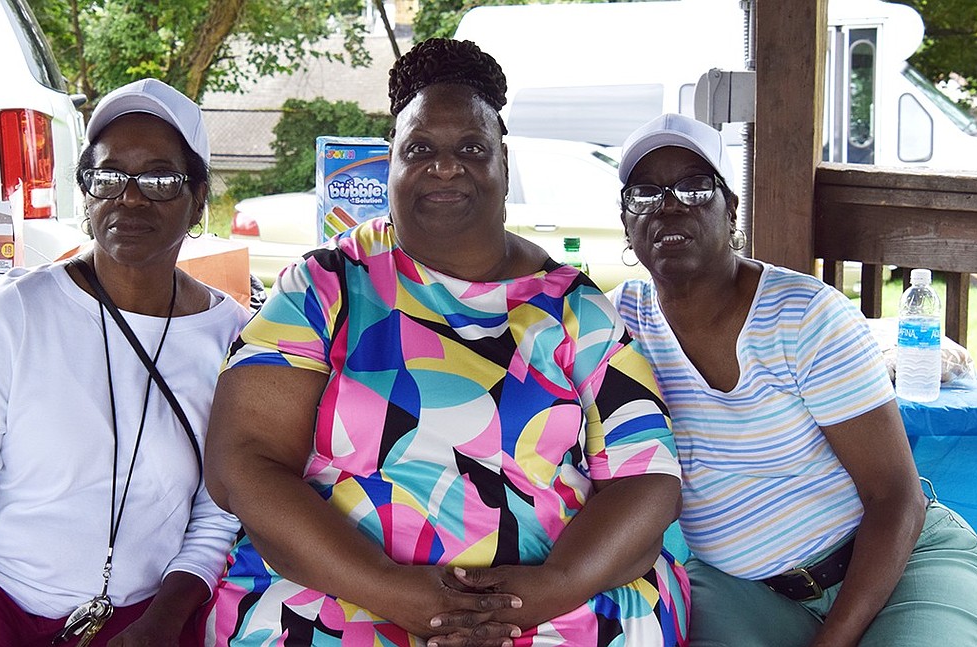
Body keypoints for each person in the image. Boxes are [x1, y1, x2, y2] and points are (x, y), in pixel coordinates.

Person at [201, 38, 689, 647]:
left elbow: (647, 477)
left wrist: (536, 595)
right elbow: (243, 461)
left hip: (552, 601)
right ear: (391, 164)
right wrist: (389, 589)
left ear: (504, 165)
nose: (445, 165)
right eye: (420, 148)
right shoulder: (325, 284)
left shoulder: (572, 306)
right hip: (340, 591)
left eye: (472, 148)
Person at [0, 78, 251, 646]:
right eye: (107, 176)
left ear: (198, 199)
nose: (129, 197)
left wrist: (162, 622)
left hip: (145, 613)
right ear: (86, 193)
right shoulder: (18, 311)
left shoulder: (232, 337)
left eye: (158, 178)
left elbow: (219, 512)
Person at [610, 112, 977, 647]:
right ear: (627, 223)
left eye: (695, 187)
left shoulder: (803, 315)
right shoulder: (619, 325)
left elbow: (894, 497)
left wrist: (833, 641)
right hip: (745, 591)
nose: (669, 205)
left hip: (898, 561)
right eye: (645, 193)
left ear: (730, 208)